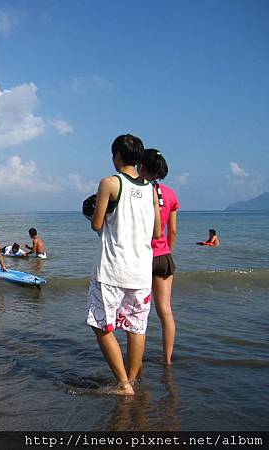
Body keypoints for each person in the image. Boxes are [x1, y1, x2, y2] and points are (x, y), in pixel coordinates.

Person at [86, 134, 161, 396]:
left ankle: (124, 384)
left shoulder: (109, 183)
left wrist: (95, 213)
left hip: (112, 269)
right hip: (141, 272)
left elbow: (97, 224)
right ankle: (131, 379)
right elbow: (157, 233)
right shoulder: (151, 189)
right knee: (136, 327)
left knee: (101, 325)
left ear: (117, 156)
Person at [139, 149, 180, 365]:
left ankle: (138, 360)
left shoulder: (138, 192)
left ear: (141, 167)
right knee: (165, 311)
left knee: (140, 314)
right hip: (164, 256)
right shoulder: (171, 194)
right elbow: (172, 230)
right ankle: (167, 360)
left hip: (142, 257)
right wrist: (166, 250)